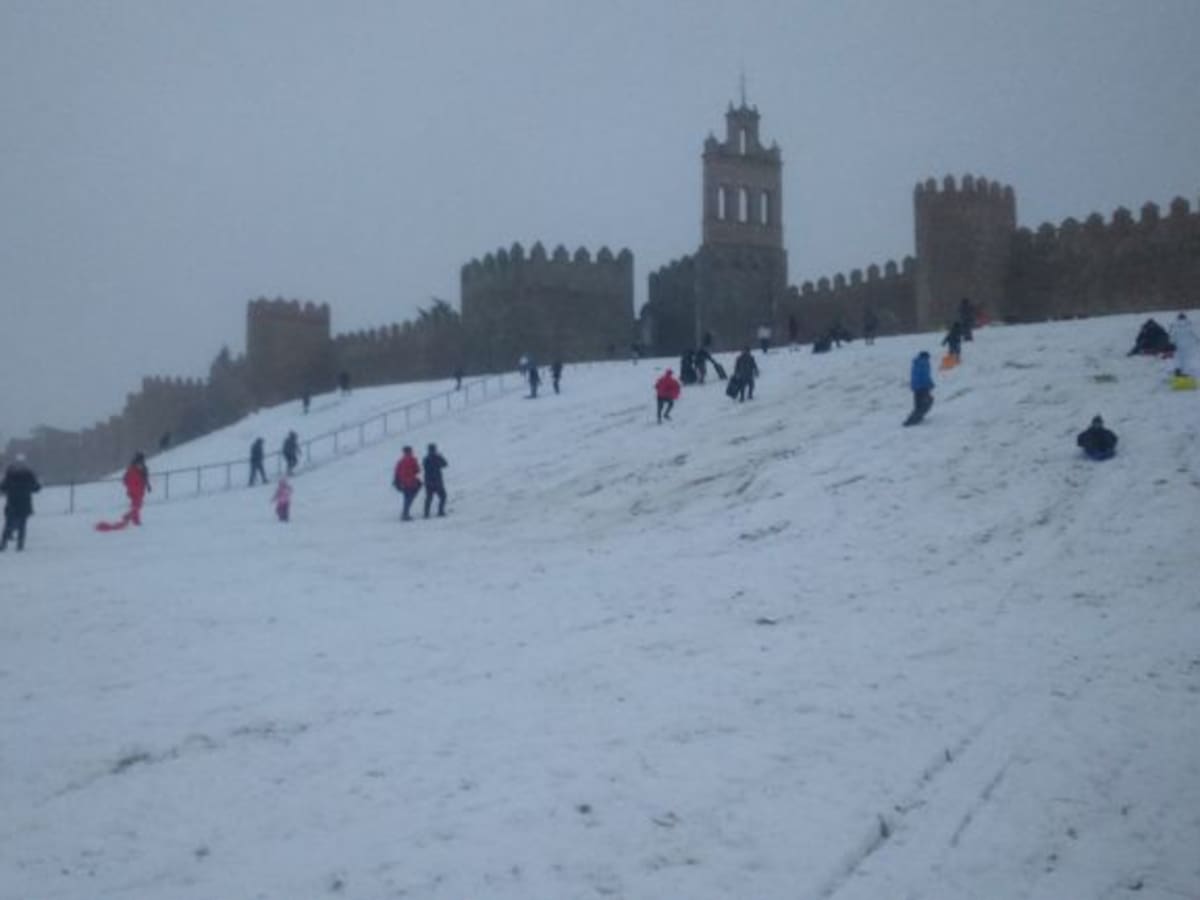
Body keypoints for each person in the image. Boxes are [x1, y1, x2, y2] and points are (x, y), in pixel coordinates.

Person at [0, 453, 41, 552]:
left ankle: (4, 544)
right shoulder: (28, 474)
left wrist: (7, 489)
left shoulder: (10, 473)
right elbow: (36, 487)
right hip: (24, 502)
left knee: (9, 524)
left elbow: (3, 486)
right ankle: (19, 545)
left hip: (13, 502)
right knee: (21, 525)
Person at [903, 351, 935, 426]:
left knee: (919, 403)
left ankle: (915, 417)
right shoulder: (924, 363)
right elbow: (924, 376)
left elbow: (920, 375)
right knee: (926, 402)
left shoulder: (916, 362)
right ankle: (912, 419)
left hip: (916, 387)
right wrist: (929, 384)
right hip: (922, 387)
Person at [393, 446, 422, 521]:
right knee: (410, 497)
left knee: (406, 498)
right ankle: (405, 514)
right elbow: (417, 470)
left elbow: (396, 472)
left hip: (403, 482)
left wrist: (397, 481)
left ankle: (405, 513)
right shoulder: (413, 459)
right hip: (411, 481)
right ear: (410, 451)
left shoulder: (400, 461)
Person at [123, 452, 151, 524]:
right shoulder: (135, 468)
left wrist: (148, 485)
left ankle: (130, 516)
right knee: (137, 505)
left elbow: (145, 478)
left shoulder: (137, 467)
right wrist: (147, 485)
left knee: (137, 505)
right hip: (136, 489)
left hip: (137, 489)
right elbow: (126, 479)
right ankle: (134, 519)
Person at [422, 443, 448, 518]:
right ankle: (440, 511)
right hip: (437, 481)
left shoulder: (426, 458)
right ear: (434, 449)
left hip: (428, 481)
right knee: (443, 496)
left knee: (429, 498)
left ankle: (426, 514)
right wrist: (441, 456)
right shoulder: (437, 458)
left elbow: (424, 467)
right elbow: (445, 464)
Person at [1168, 312, 1197, 377]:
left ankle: (1178, 370)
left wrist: (1171, 343)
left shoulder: (1174, 325)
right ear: (1185, 317)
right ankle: (1185, 372)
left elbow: (1171, 336)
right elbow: (1195, 334)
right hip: (1188, 345)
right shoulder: (1189, 324)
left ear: (1178, 318)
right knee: (1186, 359)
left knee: (1178, 358)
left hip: (1177, 345)